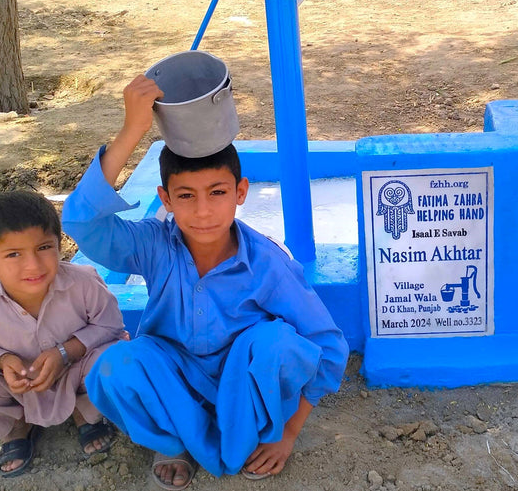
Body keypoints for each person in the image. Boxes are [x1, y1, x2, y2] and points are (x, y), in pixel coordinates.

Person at [62, 74, 349, 490]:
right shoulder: (153, 244)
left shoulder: (267, 263)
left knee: (277, 343)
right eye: (186, 196)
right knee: (112, 367)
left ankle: (246, 433)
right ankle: (173, 441)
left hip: (244, 391)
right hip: (172, 379)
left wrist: (288, 434)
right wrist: (132, 131)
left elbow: (329, 345)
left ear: (241, 192)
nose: (203, 211)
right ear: (165, 199)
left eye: (217, 193)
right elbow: (82, 222)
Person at [0, 190, 125, 477]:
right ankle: (17, 426)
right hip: (22, 386)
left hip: (76, 370)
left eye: (44, 247)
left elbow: (111, 325)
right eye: (13, 254)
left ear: (60, 245)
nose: (33, 265)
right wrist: (3, 361)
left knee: (116, 360)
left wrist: (65, 352)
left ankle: (84, 412)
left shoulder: (84, 284)